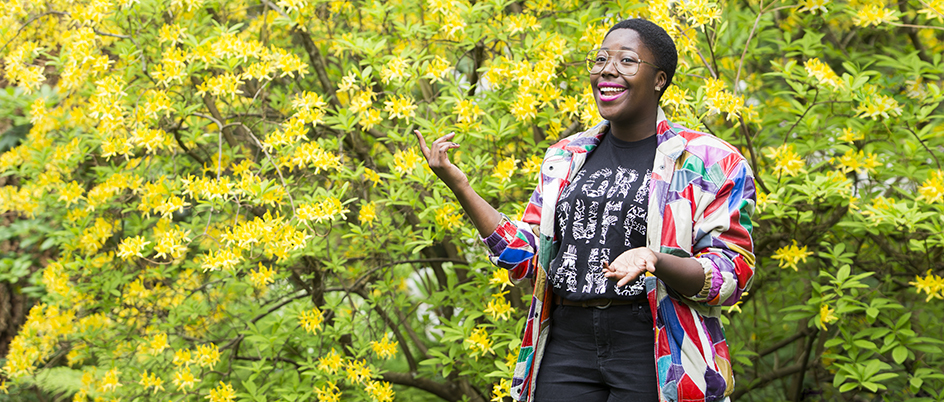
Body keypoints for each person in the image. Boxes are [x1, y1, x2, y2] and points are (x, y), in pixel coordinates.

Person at [415, 18, 755, 402]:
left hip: (654, 340)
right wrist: (460, 186)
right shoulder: (566, 156)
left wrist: (655, 259)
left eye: (627, 61)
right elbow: (527, 258)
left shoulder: (710, 161)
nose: (607, 69)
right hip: (567, 341)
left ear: (659, 80)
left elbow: (733, 273)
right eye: (599, 60)